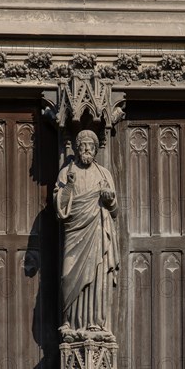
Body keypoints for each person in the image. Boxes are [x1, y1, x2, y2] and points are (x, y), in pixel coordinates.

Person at [54, 130, 119, 336]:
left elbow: (115, 210)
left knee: (98, 274)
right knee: (68, 274)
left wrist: (109, 200)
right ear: (76, 147)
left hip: (97, 231)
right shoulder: (67, 172)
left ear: (96, 149)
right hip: (74, 233)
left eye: (90, 146)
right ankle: (70, 323)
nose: (86, 149)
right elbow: (60, 209)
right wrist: (70, 185)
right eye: (82, 146)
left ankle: (95, 323)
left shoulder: (103, 173)